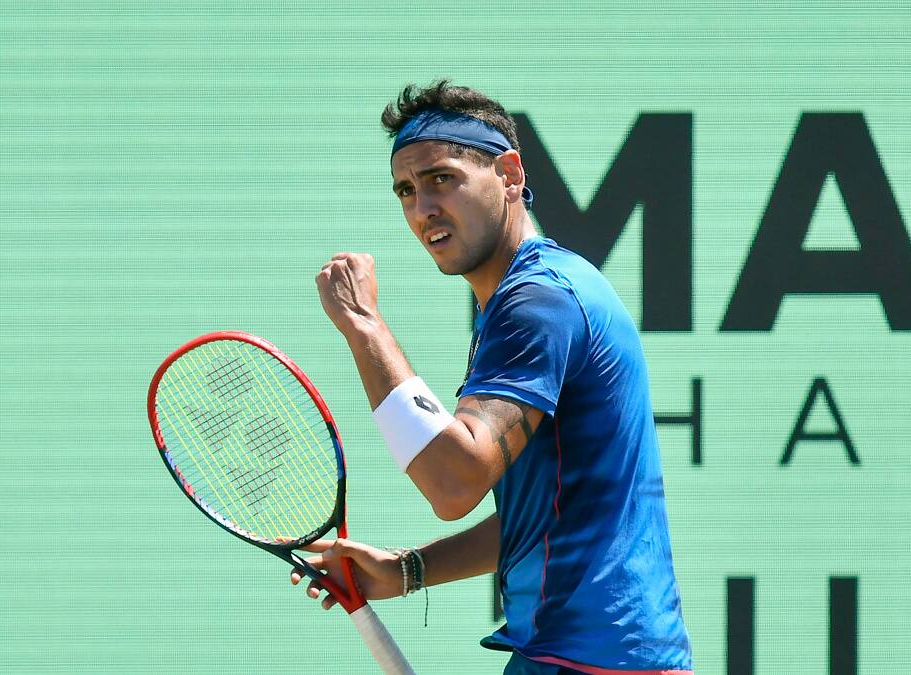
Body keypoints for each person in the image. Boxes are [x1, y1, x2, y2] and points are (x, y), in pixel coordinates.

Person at [295, 80, 693, 675]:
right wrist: (408, 570)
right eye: (405, 190)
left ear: (509, 175)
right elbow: (549, 515)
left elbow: (454, 485)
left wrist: (364, 326)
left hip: (596, 663)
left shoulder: (539, 301)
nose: (421, 208)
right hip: (573, 655)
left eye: (440, 179)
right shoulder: (524, 296)